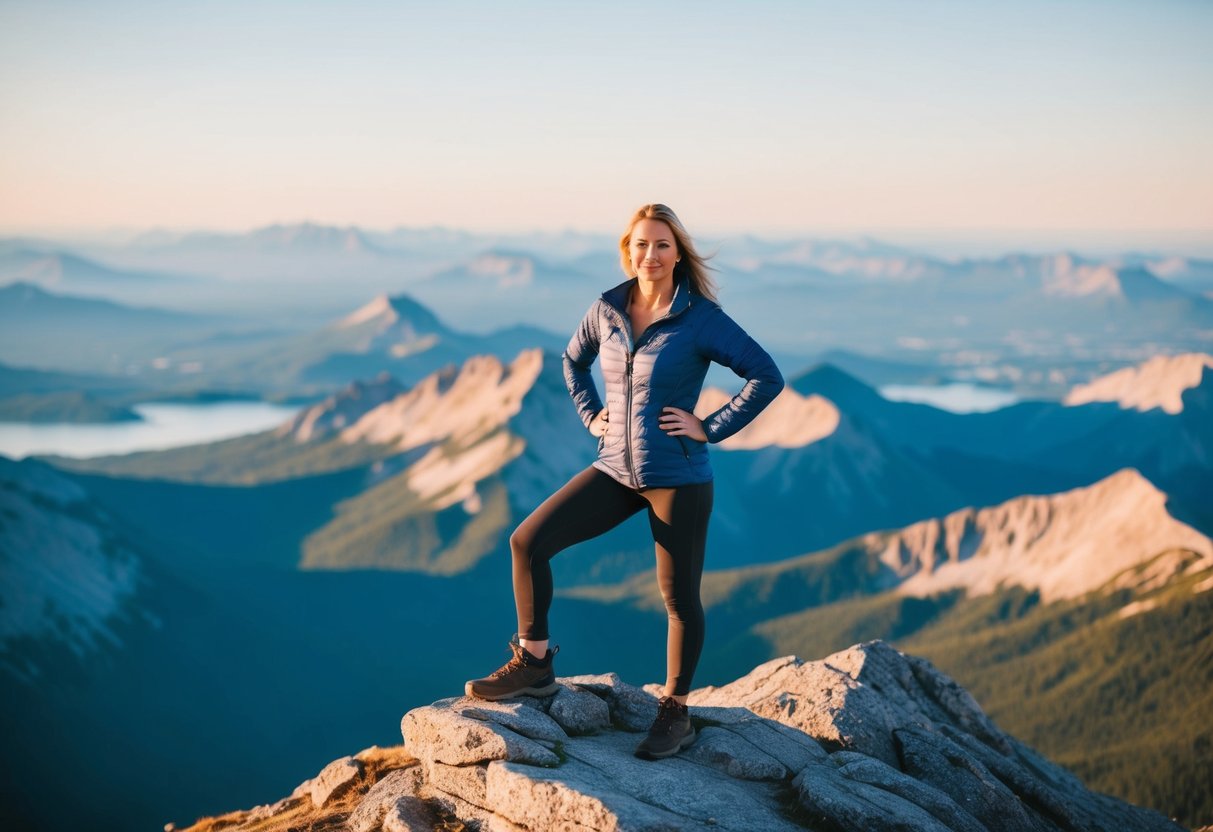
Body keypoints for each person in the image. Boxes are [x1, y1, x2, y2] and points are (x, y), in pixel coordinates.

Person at [465, 203, 784, 760]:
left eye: (662, 245)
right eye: (641, 245)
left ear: (677, 252)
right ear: (627, 250)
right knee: (526, 543)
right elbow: (572, 362)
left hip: (677, 476)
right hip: (614, 468)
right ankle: (535, 663)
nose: (650, 255)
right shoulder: (607, 310)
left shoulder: (700, 317)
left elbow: (766, 376)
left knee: (679, 598)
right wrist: (592, 416)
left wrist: (709, 427)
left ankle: (675, 712)